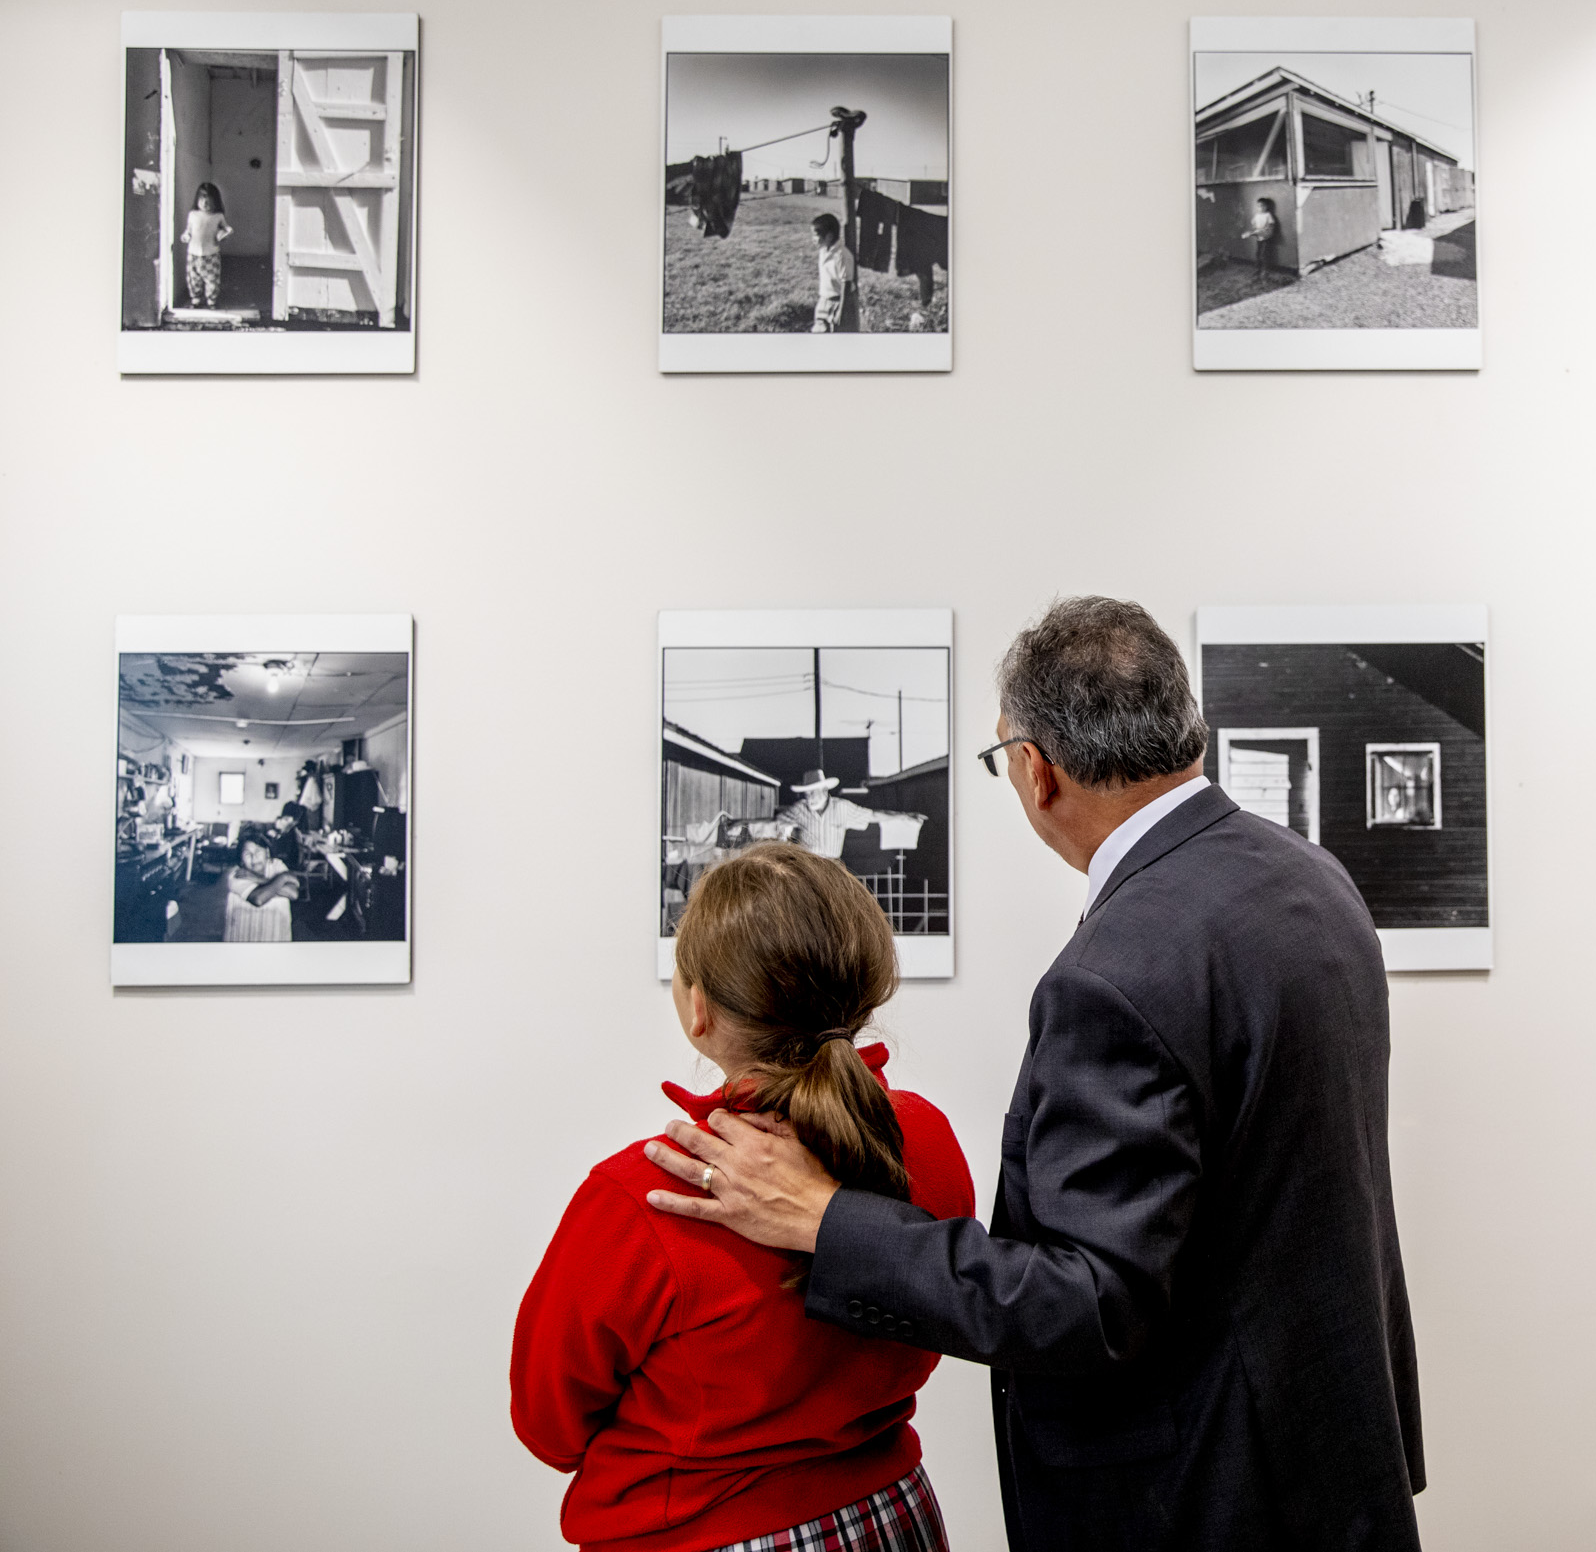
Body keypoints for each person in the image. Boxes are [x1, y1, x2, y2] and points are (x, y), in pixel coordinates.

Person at [648, 597, 1425, 1552]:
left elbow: (1088, 1304)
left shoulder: (1117, 968)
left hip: (1199, 1495)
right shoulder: (1314, 878)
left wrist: (825, 1221)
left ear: (1035, 767)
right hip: (1328, 1446)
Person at [513, 843, 976, 1552]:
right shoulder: (925, 1138)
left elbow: (548, 1424)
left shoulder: (644, 1195)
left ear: (698, 1007)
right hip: (893, 1516)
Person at [223, 830, 298, 943]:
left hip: (275, 935)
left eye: (258, 851)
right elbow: (258, 899)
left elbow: (293, 893)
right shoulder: (237, 875)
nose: (254, 857)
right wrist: (283, 878)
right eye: (247, 854)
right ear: (241, 860)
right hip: (243, 937)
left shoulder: (276, 865)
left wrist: (258, 879)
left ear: (267, 853)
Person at [181, 182, 232, 309]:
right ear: (197, 199)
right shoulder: (193, 215)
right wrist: (185, 236)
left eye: (209, 200)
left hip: (211, 254)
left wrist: (227, 232)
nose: (205, 203)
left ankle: (211, 301)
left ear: (216, 201)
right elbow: (188, 230)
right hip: (193, 253)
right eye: (202, 199)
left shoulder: (218, 216)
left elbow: (227, 228)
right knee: (193, 278)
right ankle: (196, 299)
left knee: (212, 279)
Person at [812, 213, 856, 333]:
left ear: (829, 236)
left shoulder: (841, 255)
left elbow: (846, 284)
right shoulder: (823, 251)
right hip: (824, 300)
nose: (813, 239)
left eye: (816, 235)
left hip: (839, 303)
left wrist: (841, 312)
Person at [1242, 196, 1282, 274]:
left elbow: (1271, 224)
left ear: (1266, 207)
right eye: (1259, 206)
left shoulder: (1268, 215)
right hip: (1259, 236)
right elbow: (1254, 224)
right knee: (1258, 253)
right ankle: (1258, 268)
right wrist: (1253, 231)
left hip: (1266, 236)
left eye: (1263, 206)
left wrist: (1268, 230)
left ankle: (1265, 269)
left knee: (1265, 253)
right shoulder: (1257, 215)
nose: (1260, 208)